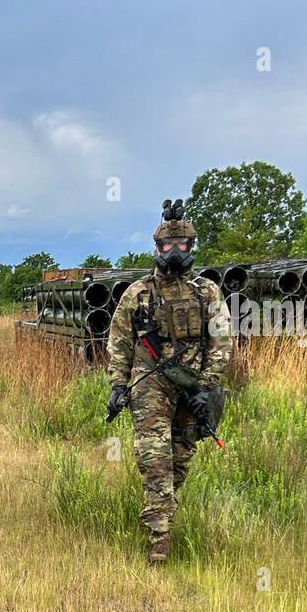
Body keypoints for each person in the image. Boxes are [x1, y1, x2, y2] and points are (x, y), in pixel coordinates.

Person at [107, 199, 232, 563]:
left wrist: (207, 385)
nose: (174, 251)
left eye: (182, 245)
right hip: (150, 383)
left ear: (191, 248)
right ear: (157, 248)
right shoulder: (138, 292)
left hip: (193, 386)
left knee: (180, 459)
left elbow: (221, 340)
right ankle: (159, 540)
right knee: (155, 458)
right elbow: (119, 341)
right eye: (167, 245)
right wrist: (119, 385)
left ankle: (161, 508)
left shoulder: (206, 291)